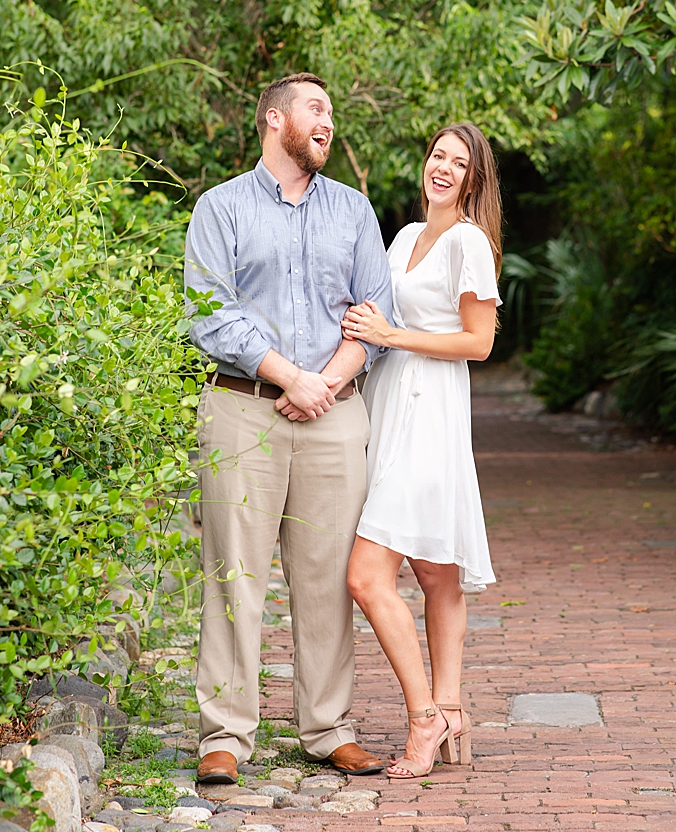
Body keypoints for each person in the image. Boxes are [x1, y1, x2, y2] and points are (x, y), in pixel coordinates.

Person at [185, 72, 395, 784]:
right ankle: (224, 735)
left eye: (332, 112)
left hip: (336, 415)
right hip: (242, 409)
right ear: (275, 119)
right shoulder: (221, 208)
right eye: (316, 109)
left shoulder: (355, 211)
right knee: (233, 574)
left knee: (329, 580)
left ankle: (330, 727)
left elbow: (374, 315)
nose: (328, 121)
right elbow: (210, 311)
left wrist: (324, 383)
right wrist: (288, 375)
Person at [341, 122, 501, 778]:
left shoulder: (469, 242)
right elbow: (378, 315)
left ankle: (424, 719)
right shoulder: (406, 236)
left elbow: (479, 343)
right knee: (435, 572)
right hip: (390, 407)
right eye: (438, 154)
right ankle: (452, 705)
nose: (443, 167)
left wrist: (394, 335)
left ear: (473, 179)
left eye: (458, 163)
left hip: (431, 414)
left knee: (366, 576)